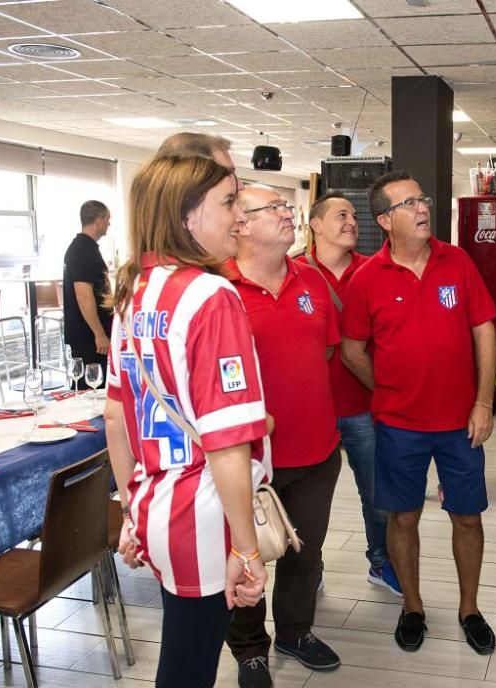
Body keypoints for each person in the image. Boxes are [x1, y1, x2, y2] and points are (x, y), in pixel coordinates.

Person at [103, 154, 270, 688]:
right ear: (186, 215)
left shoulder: (133, 294)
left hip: (159, 505)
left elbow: (116, 414)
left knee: (185, 653)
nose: (239, 219)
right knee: (187, 666)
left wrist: (133, 509)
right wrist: (246, 549)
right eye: (228, 204)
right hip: (205, 512)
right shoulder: (211, 295)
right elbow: (225, 442)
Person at [341, 171, 496, 655]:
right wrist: (388, 387)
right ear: (386, 220)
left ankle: (469, 609)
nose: (423, 208)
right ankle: (412, 605)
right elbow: (351, 350)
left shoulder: (458, 262)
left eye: (423, 198)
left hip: (459, 425)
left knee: (467, 517)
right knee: (402, 519)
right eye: (408, 203)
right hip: (398, 426)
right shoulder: (365, 280)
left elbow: (484, 331)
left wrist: (484, 401)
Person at [224, 184, 343, 688]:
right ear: (241, 224)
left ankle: (296, 631)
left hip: (317, 449)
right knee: (246, 556)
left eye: (285, 206)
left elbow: (330, 351)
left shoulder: (312, 281)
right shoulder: (218, 290)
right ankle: (250, 649)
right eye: (272, 208)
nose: (287, 214)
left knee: (304, 552)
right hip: (246, 460)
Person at [298, 192, 402, 597]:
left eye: (355, 216)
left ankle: (382, 562)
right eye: (341, 215)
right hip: (313, 411)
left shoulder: (373, 271)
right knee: (308, 502)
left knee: (377, 495)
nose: (352, 222)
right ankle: (310, 569)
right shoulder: (294, 273)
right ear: (316, 224)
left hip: (363, 407)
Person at [62, 200, 112, 387]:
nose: (109, 223)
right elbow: (84, 295)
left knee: (93, 387)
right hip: (88, 336)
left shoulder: (84, 247)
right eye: (107, 219)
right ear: (98, 220)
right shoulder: (83, 250)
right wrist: (99, 333)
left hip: (87, 333)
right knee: (90, 389)